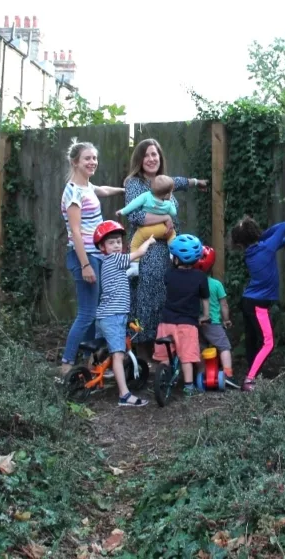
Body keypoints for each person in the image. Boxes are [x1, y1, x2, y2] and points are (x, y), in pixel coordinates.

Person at [121, 139, 208, 348]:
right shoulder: (135, 184)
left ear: (160, 157)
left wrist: (198, 182)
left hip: (169, 252)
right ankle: (141, 347)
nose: (151, 159)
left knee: (166, 297)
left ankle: (162, 346)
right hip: (147, 248)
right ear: (139, 160)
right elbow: (135, 216)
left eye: (155, 154)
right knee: (146, 297)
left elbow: (179, 181)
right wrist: (164, 219)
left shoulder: (164, 181)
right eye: (147, 155)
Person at [58, 139, 125, 378]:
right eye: (87, 158)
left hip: (96, 256)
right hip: (84, 257)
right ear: (75, 162)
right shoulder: (73, 191)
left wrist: (124, 189)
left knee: (94, 312)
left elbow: (102, 190)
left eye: (94, 158)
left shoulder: (86, 186)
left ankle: (87, 364)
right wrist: (85, 263)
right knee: (87, 313)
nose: (92, 162)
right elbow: (75, 231)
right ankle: (66, 365)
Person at [90, 220, 155, 407]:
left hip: (105, 315)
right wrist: (148, 241)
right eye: (111, 243)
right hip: (114, 316)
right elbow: (139, 254)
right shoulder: (117, 260)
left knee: (102, 349)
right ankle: (124, 395)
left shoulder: (106, 263)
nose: (116, 245)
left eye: (118, 241)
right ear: (102, 247)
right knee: (118, 355)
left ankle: (94, 377)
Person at [230, 216, 285, 392]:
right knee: (268, 342)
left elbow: (281, 240)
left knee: (252, 340)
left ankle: (253, 372)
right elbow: (284, 224)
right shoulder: (265, 247)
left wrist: (280, 241)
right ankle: (249, 380)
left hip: (249, 300)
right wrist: (263, 235)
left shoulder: (252, 252)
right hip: (259, 304)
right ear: (255, 234)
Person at [154, 234, 210, 397]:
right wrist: (205, 315)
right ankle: (188, 387)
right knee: (186, 357)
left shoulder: (169, 274)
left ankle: (162, 377)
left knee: (165, 356)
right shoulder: (200, 277)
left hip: (166, 323)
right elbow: (205, 299)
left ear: (176, 259)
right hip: (187, 324)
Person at [193, 245, 238, 388]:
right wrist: (226, 320)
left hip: (196, 322)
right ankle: (228, 374)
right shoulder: (216, 284)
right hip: (213, 323)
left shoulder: (192, 284)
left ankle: (200, 374)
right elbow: (224, 305)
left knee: (200, 348)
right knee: (224, 346)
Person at [118, 174, 177, 249]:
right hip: (163, 229)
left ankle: (134, 260)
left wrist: (123, 211)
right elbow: (174, 213)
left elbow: (133, 204)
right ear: (167, 194)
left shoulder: (146, 196)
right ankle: (172, 252)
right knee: (172, 235)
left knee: (135, 244)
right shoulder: (168, 204)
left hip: (145, 230)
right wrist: (171, 201)